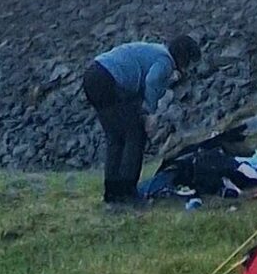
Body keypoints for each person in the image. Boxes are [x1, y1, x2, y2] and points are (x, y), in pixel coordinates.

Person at [81, 34, 201, 203]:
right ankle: (128, 192)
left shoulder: (156, 51)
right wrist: (150, 114)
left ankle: (112, 192)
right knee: (135, 135)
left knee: (115, 138)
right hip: (109, 79)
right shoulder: (165, 61)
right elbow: (152, 81)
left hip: (93, 74)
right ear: (183, 57)